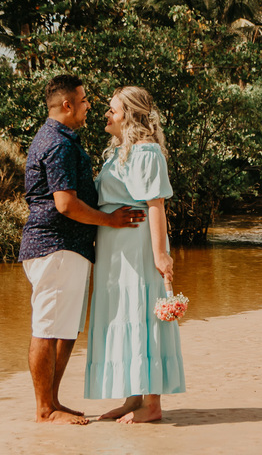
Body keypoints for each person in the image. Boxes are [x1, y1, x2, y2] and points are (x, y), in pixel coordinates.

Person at [20, 75, 145, 425]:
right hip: (55, 244)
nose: (90, 104)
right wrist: (110, 221)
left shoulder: (61, 139)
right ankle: (45, 409)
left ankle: (53, 401)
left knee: (65, 328)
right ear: (67, 105)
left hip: (67, 247)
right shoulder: (57, 143)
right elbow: (65, 203)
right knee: (47, 327)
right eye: (85, 99)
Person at [85, 86, 186, 423]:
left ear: (128, 114)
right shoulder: (117, 153)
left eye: (112, 109)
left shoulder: (147, 152)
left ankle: (153, 404)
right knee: (123, 314)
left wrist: (161, 255)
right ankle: (133, 398)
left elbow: (155, 203)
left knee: (143, 313)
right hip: (115, 250)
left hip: (139, 245)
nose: (106, 114)